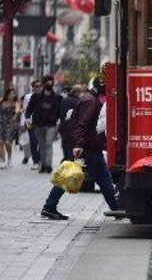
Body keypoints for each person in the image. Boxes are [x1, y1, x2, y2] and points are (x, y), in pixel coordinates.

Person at [40, 76, 118, 220]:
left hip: (86, 145)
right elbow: (82, 124)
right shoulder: (90, 101)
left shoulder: (89, 98)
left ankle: (49, 206)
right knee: (103, 177)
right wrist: (79, 145)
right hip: (88, 147)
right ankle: (116, 207)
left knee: (89, 176)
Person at [26, 75, 62, 174]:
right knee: (42, 145)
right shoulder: (36, 96)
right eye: (48, 81)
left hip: (51, 124)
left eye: (51, 81)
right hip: (38, 124)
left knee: (49, 143)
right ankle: (43, 165)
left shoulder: (57, 97)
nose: (50, 83)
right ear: (44, 83)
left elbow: (60, 111)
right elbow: (29, 109)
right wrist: (28, 118)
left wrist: (59, 120)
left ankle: (49, 165)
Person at [59, 84, 83, 161]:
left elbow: (61, 114)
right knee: (74, 147)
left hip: (65, 128)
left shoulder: (64, 100)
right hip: (75, 128)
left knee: (66, 147)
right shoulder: (79, 101)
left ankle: (67, 161)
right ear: (78, 92)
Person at [20, 80, 41, 166]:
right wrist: (23, 122)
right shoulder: (28, 97)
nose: (38, 88)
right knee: (33, 141)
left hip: (42, 123)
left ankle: (39, 157)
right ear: (32, 87)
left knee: (42, 142)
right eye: (36, 86)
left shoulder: (45, 97)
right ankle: (35, 160)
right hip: (31, 122)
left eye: (40, 86)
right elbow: (25, 110)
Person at [0, 89, 20, 168]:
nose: (12, 95)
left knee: (7, 143)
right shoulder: (2, 102)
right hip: (1, 124)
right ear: (7, 95)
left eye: (13, 94)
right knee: (0, 143)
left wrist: (15, 116)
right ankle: (3, 161)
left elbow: (17, 110)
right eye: (10, 94)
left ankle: (9, 157)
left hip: (10, 124)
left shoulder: (15, 103)